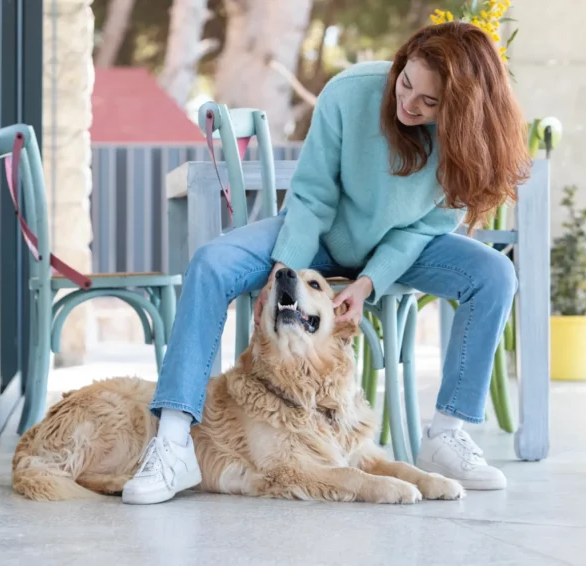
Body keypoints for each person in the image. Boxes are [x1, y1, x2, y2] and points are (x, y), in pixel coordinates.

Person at [121, 21, 531, 505]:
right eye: (405, 83)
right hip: (315, 236)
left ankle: (446, 434)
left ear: (461, 109)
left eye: (430, 102)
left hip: (396, 248)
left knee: (495, 273)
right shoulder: (350, 93)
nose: (408, 103)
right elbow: (312, 197)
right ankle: (173, 445)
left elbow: (423, 229)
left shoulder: (469, 144)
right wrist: (283, 270)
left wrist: (370, 282)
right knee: (212, 262)